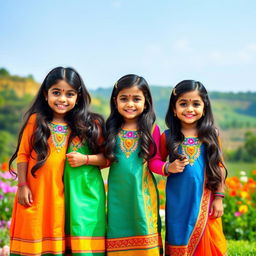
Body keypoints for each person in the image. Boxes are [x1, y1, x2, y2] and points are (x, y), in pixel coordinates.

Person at [9, 67, 106, 255]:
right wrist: (22, 185)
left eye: (69, 94)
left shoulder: (87, 125)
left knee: (59, 238)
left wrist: (85, 159)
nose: (62, 99)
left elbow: (107, 159)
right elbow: (23, 154)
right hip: (36, 193)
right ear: (46, 95)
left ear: (78, 97)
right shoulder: (35, 121)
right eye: (56, 93)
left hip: (66, 196)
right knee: (34, 238)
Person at [159, 80, 227, 255]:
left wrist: (219, 198)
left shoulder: (211, 135)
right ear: (174, 109)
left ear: (204, 108)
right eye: (183, 104)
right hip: (178, 201)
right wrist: (168, 167)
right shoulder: (167, 137)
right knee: (179, 237)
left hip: (206, 199)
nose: (190, 109)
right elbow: (155, 161)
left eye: (196, 104)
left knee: (210, 241)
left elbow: (218, 166)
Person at [104, 74, 163, 256]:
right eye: (124, 99)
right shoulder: (110, 129)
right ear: (115, 101)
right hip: (118, 195)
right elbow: (103, 158)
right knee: (117, 227)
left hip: (142, 193)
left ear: (146, 102)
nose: (130, 104)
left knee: (144, 227)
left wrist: (167, 168)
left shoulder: (152, 129)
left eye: (136, 99)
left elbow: (155, 161)